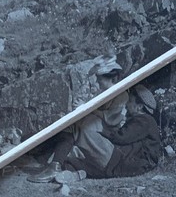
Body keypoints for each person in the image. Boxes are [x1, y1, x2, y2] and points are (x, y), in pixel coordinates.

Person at [28, 55, 129, 183]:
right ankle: (53, 163)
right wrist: (83, 106)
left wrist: (87, 108)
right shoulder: (104, 93)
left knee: (77, 123)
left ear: (112, 78)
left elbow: (111, 120)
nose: (97, 82)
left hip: (111, 138)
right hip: (100, 132)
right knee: (74, 120)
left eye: (100, 79)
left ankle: (52, 163)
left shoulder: (121, 95)